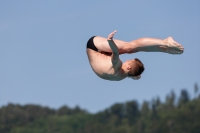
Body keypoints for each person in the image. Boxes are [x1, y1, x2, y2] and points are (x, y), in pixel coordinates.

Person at [86, 30, 184, 81]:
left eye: (129, 61)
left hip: (94, 46)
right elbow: (131, 74)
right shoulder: (121, 76)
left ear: (128, 67)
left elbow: (115, 52)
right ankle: (166, 49)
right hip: (98, 56)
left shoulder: (116, 65)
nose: (127, 60)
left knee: (129, 47)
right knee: (132, 49)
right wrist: (136, 74)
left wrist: (110, 40)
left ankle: (166, 43)